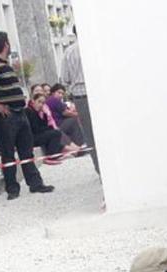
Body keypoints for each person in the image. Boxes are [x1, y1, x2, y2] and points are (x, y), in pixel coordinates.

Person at [0, 32, 54, 200]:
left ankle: (35, 183)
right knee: (7, 153)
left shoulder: (6, 65)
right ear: (6, 45)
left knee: (27, 150)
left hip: (20, 113)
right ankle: (12, 189)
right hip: (7, 116)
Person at [61, 27, 98, 174]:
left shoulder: (69, 52)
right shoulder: (95, 46)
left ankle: (100, 171)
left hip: (81, 97)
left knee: (90, 136)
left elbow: (65, 78)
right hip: (98, 95)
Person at [26, 91, 79, 165]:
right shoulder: (29, 111)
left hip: (37, 135)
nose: (41, 105)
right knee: (55, 133)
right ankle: (51, 157)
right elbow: (36, 129)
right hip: (31, 138)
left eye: (43, 103)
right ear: (33, 101)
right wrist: (49, 129)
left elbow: (44, 125)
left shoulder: (38, 112)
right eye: (39, 102)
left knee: (54, 133)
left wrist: (45, 114)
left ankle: (59, 154)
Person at [45, 83, 87, 148]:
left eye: (62, 94)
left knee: (73, 121)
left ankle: (78, 144)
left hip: (60, 123)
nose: (61, 95)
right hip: (58, 125)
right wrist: (79, 115)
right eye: (59, 93)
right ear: (53, 92)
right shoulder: (53, 100)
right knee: (73, 121)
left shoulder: (55, 100)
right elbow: (66, 113)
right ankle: (80, 144)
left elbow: (67, 110)